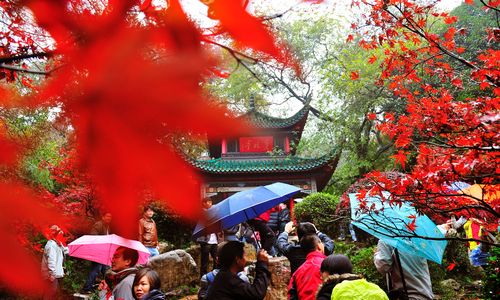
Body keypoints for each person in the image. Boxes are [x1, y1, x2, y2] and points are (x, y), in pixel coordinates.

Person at [205, 241, 271, 300]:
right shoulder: (228, 279)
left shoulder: (224, 275)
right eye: (244, 256)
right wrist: (262, 263)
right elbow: (257, 293)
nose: (246, 260)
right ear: (237, 260)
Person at [316, 254, 388, 300]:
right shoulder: (369, 287)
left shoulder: (327, 293)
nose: (321, 276)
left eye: (322, 271)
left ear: (328, 273)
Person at [82, 212, 113, 294]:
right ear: (103, 217)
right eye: (107, 216)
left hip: (104, 252)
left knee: (105, 270)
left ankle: (107, 287)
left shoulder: (107, 227)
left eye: (110, 217)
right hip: (98, 251)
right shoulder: (98, 225)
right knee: (96, 269)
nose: (109, 218)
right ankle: (87, 287)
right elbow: (93, 237)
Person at [288, 235, 325, 300]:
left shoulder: (297, 272)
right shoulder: (327, 264)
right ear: (319, 246)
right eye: (321, 242)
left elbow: (291, 295)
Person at [197, 198, 223, 277]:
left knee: (216, 258)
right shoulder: (201, 212)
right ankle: (203, 277)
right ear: (204, 203)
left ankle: (215, 275)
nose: (210, 204)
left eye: (211, 202)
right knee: (205, 261)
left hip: (214, 240)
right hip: (205, 240)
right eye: (208, 202)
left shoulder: (213, 213)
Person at [41, 225, 68, 300]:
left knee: (51, 293)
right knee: (50, 293)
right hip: (50, 275)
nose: (61, 236)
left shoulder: (57, 244)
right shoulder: (51, 245)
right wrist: (52, 274)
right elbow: (51, 260)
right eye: (60, 234)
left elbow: (65, 250)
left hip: (54, 274)